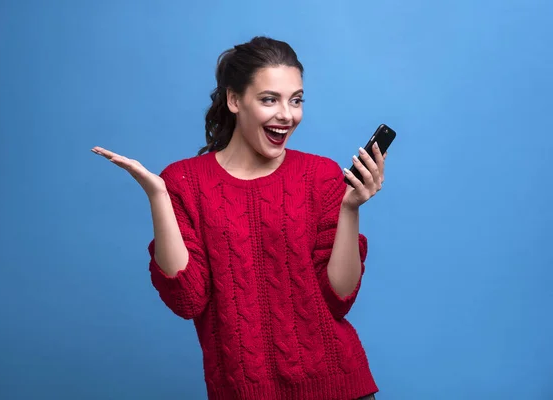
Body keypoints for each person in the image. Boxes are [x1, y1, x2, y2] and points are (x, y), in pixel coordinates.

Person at [92, 36, 387, 400]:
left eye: (296, 100)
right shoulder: (184, 182)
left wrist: (350, 207)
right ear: (234, 100)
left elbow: (339, 297)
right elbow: (187, 299)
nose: (287, 114)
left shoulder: (321, 175)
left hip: (340, 388)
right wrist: (159, 197)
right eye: (269, 99)